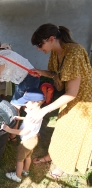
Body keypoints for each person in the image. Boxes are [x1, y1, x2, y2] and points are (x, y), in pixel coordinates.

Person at [30, 23, 92, 178]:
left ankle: (64, 165)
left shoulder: (74, 52)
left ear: (51, 39)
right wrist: (39, 72)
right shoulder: (56, 51)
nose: (38, 48)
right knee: (61, 128)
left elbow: (72, 93)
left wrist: (44, 110)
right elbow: (55, 73)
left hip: (83, 100)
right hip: (72, 96)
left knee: (73, 133)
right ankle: (54, 156)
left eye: (39, 44)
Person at [1, 88, 44, 182]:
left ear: (36, 103)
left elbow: (24, 132)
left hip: (27, 141)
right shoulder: (37, 112)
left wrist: (9, 130)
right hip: (33, 139)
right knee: (28, 156)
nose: (25, 104)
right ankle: (25, 170)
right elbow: (27, 118)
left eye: (26, 101)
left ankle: (17, 176)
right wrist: (19, 118)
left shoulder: (33, 116)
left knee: (20, 159)